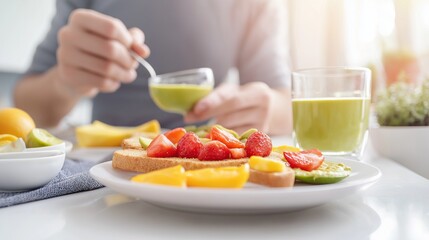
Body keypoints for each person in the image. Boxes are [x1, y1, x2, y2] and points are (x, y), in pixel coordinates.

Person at [14, 0, 292, 135]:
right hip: (102, 168)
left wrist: (264, 109)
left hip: (204, 160)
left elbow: (286, 105)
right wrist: (67, 81)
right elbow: (26, 110)